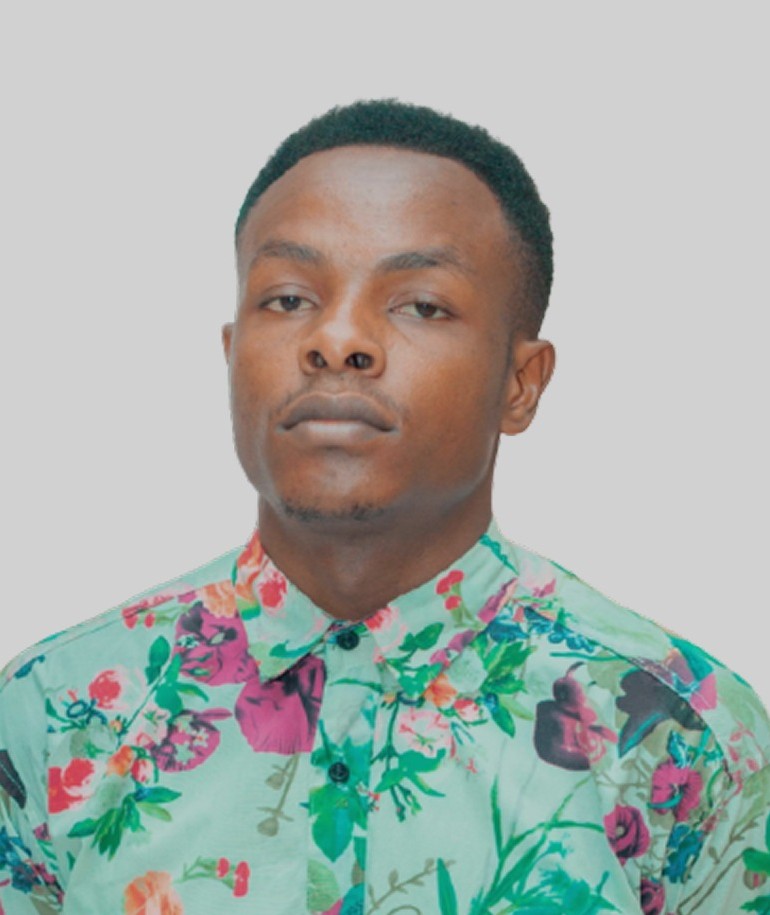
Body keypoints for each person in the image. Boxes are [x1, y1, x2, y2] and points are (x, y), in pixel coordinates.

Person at [1, 100, 768, 915]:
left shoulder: (685, 733)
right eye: (287, 298)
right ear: (231, 355)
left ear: (521, 383)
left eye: (421, 304)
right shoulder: (54, 716)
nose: (337, 339)